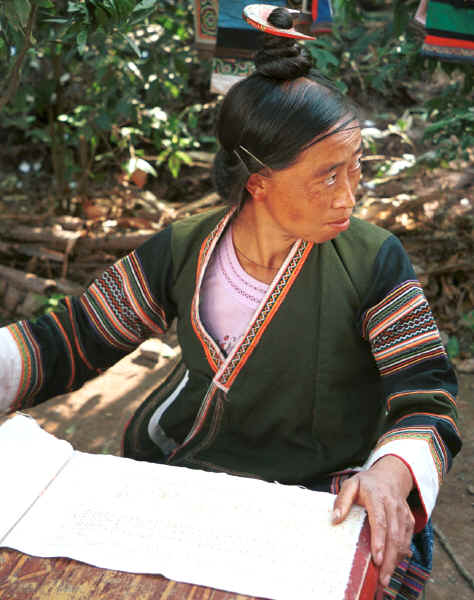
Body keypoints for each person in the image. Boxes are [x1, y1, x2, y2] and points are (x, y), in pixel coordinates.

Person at [0, 6, 461, 599]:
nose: (350, 195)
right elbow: (71, 340)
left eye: (356, 169)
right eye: (327, 176)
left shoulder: (374, 259)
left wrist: (392, 475)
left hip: (320, 494)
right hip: (195, 480)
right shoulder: (184, 248)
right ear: (258, 182)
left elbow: (427, 398)